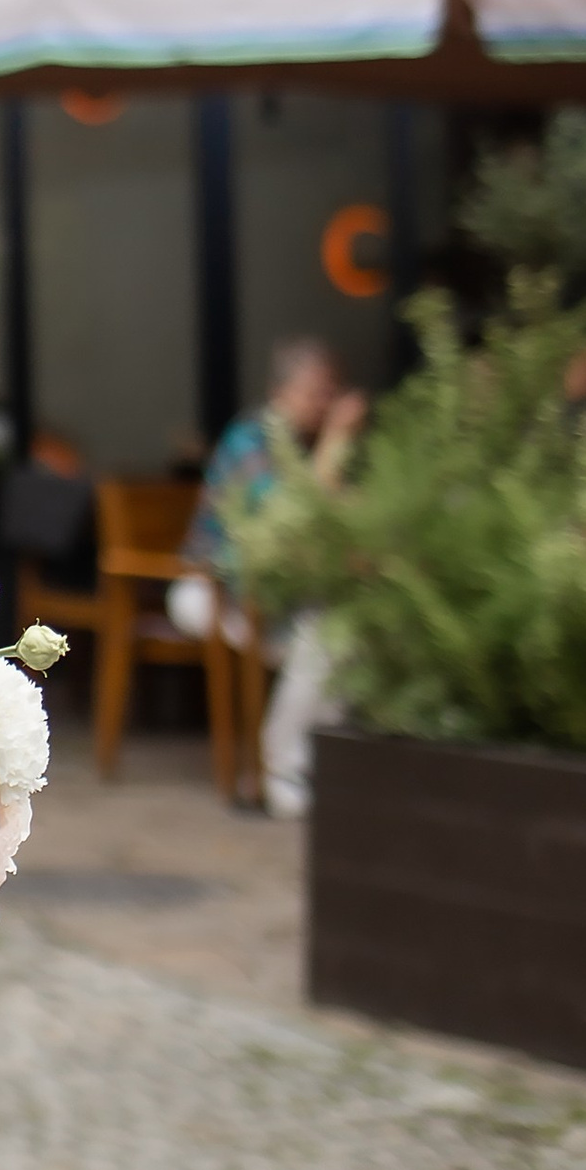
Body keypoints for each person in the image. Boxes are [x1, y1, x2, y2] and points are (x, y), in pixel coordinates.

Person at [172, 335, 366, 816]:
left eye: (331, 394)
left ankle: (308, 766)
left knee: (348, 635)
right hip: (213, 591)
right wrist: (339, 443)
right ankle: (280, 772)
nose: (325, 407)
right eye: (316, 394)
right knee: (322, 638)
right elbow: (290, 519)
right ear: (282, 392)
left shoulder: (305, 447)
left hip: (278, 595)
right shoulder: (252, 439)